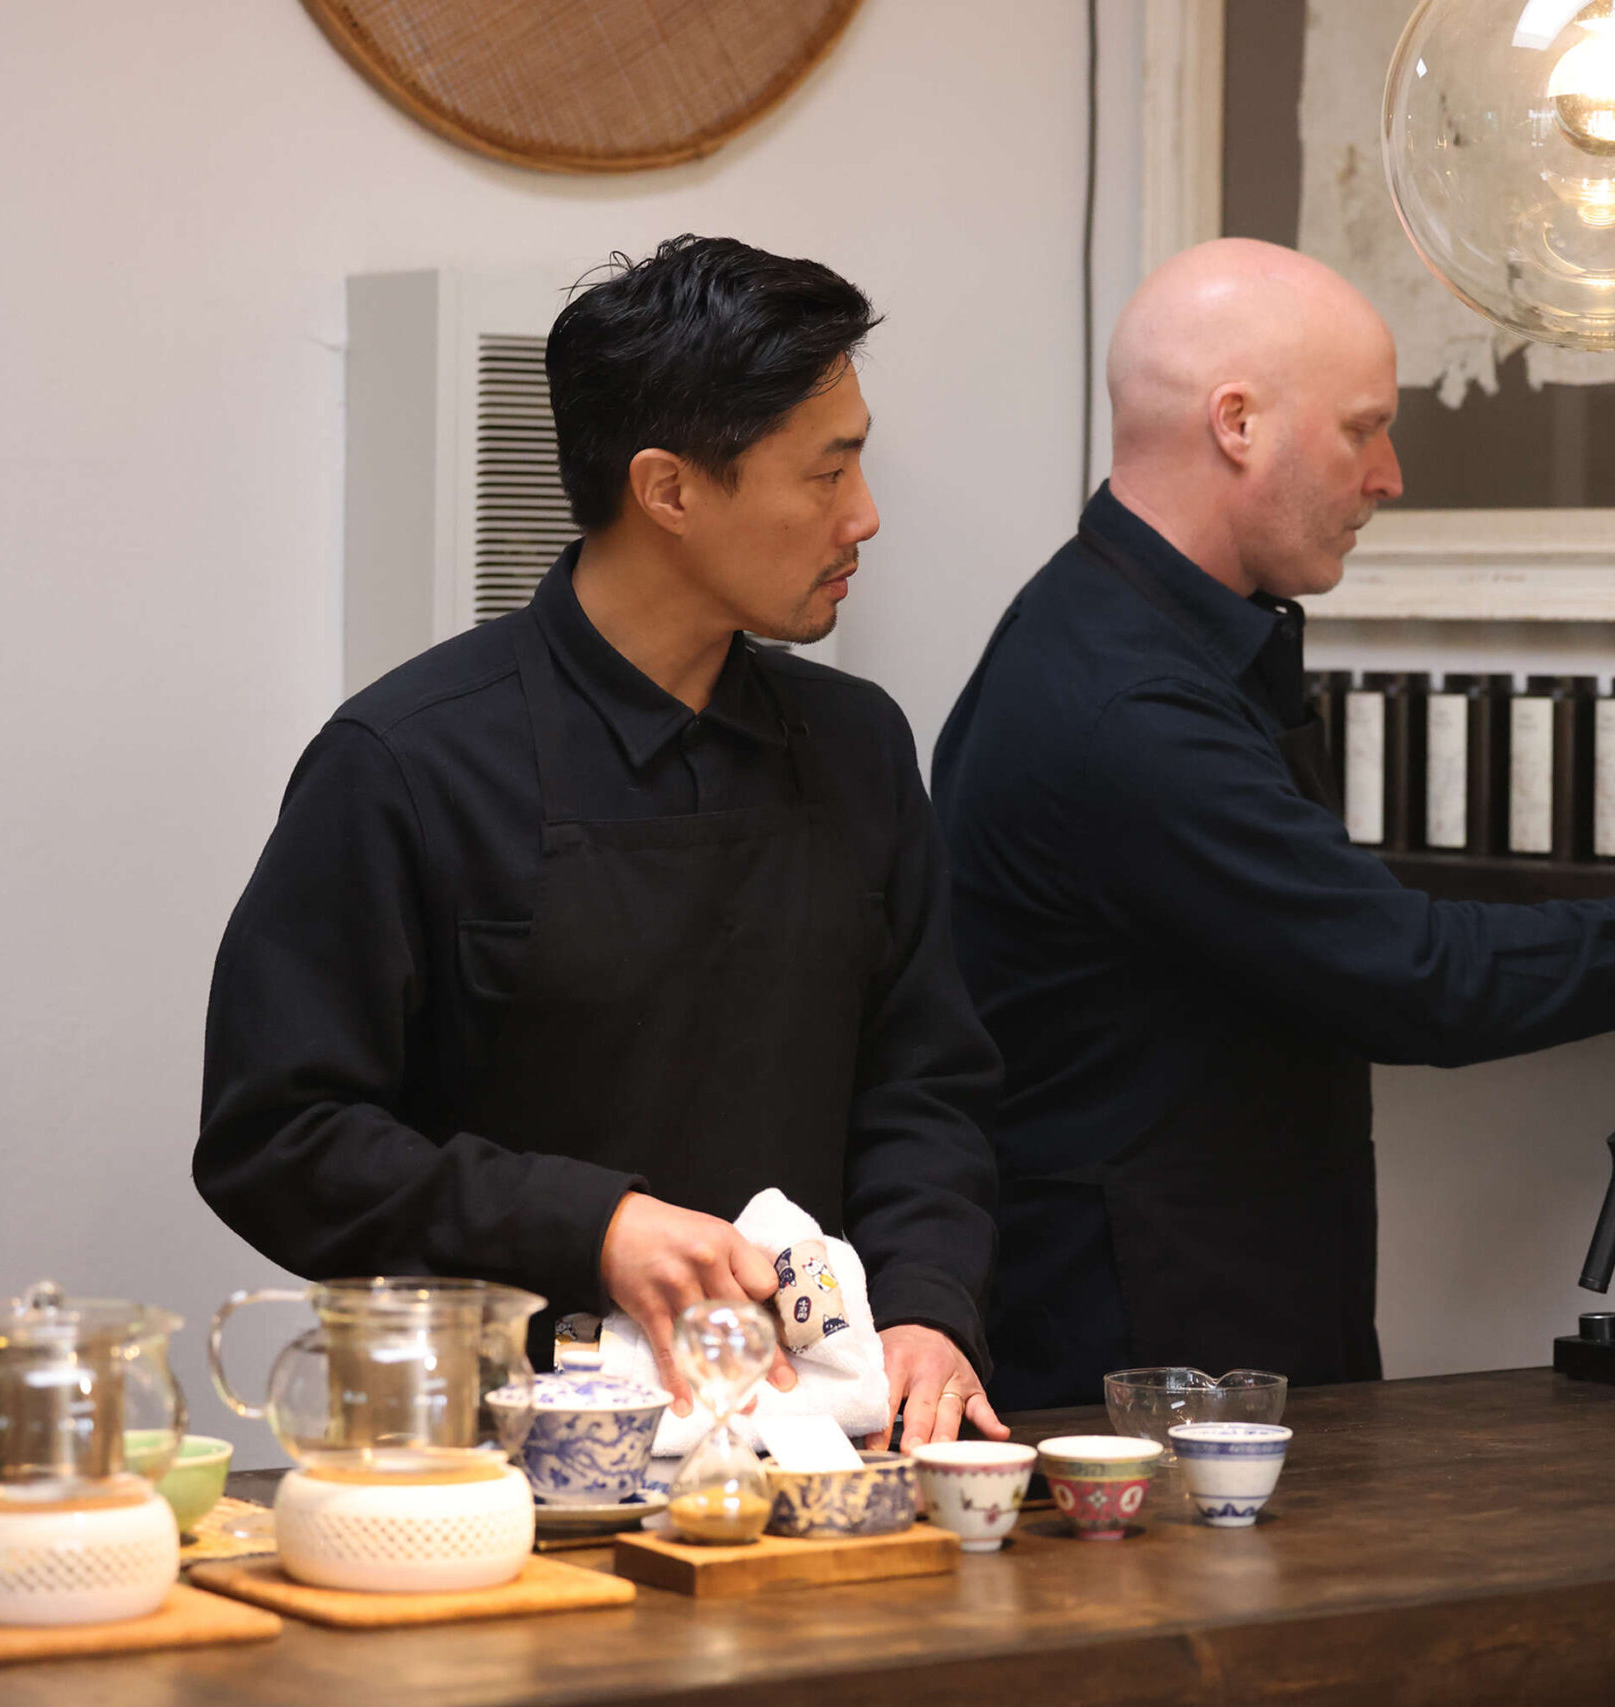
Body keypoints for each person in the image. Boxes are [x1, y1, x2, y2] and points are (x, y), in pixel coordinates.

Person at [931, 238, 1615, 1411]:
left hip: (1197, 1319)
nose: (1390, 475)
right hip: (1140, 1368)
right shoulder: (1128, 705)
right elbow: (1413, 978)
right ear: (1237, 424)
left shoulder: (1131, 633)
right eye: (1363, 428)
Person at [197, 236, 1008, 1451]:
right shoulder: (407, 763)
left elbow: (925, 1088)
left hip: (816, 1453)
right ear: (668, 490)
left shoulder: (857, 745)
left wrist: (930, 1309)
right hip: (482, 1470)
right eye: (826, 473)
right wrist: (591, 1225)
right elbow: (281, 1137)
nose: (866, 515)